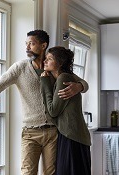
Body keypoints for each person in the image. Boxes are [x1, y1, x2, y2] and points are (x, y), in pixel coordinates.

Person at [0, 30, 89, 175]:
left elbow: (83, 82)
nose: (27, 47)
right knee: (28, 172)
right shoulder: (20, 68)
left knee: (50, 173)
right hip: (30, 132)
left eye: (31, 44)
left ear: (43, 45)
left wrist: (80, 86)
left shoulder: (53, 68)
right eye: (26, 44)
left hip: (53, 132)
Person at [40, 46, 91, 175]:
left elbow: (53, 111)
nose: (45, 61)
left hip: (71, 135)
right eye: (45, 58)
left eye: (49, 59)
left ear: (60, 62)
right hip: (73, 134)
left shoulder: (63, 78)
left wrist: (45, 82)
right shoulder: (66, 77)